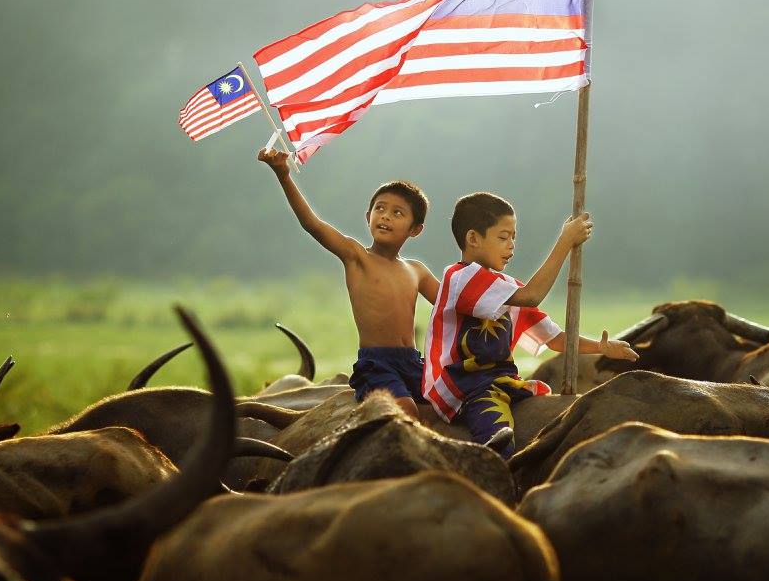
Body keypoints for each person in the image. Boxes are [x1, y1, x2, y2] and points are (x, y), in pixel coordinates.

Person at [423, 191, 639, 456]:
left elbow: (555, 339)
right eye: (503, 237)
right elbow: (533, 296)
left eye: (514, 237)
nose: (511, 245)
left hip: (502, 381)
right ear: (473, 238)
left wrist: (602, 348)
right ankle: (495, 467)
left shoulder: (507, 289)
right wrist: (565, 243)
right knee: (498, 436)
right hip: (465, 386)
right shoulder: (460, 277)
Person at [257, 146, 438, 418]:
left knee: (449, 406)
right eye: (380, 209)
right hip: (378, 364)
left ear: (415, 229)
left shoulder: (417, 270)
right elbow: (313, 225)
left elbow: (452, 302)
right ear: (368, 217)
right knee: (405, 410)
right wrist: (284, 175)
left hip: (414, 362)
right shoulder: (357, 257)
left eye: (398, 213)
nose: (386, 216)